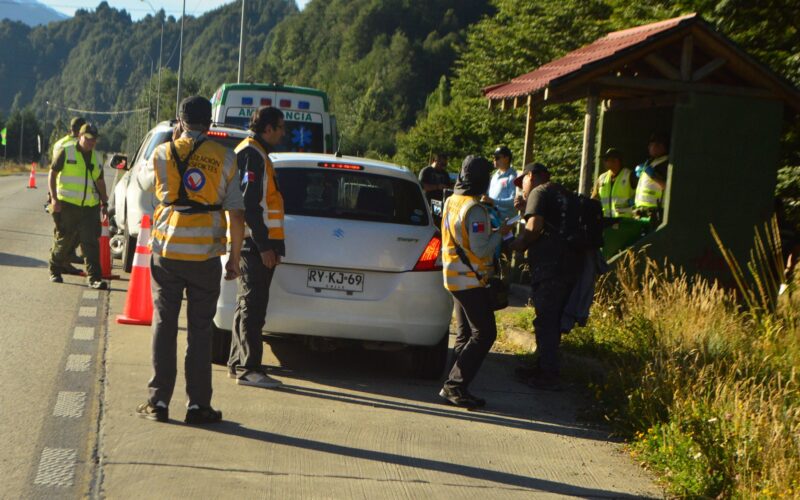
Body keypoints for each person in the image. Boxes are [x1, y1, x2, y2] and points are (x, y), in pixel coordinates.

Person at [135, 96, 245, 424]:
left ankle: (158, 403)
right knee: (200, 331)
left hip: (166, 254)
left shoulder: (161, 153)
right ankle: (198, 406)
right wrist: (235, 259)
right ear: (209, 124)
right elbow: (237, 213)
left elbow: (142, 189)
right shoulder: (226, 158)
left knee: (164, 325)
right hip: (205, 256)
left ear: (180, 122)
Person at [439, 155, 511, 408]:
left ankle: (451, 384)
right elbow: (481, 250)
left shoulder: (452, 201)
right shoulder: (475, 209)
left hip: (453, 276)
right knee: (485, 333)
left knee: (465, 334)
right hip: (470, 280)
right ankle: (454, 386)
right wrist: (499, 234)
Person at [228, 106, 286, 388]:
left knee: (246, 304)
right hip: (255, 242)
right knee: (253, 306)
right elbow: (249, 205)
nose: (284, 133)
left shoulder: (255, 151)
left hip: (254, 240)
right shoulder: (253, 154)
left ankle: (237, 362)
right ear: (267, 129)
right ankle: (249, 369)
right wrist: (264, 246)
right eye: (280, 127)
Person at [511, 163, 582, 390]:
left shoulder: (539, 192)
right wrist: (525, 211)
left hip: (549, 266)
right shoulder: (564, 193)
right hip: (570, 265)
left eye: (522, 182)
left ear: (530, 176)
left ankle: (548, 374)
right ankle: (542, 366)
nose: (522, 188)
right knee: (553, 319)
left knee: (546, 321)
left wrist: (517, 245)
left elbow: (534, 228)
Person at [47, 122, 109, 289]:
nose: (91, 142)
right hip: (68, 206)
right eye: (88, 138)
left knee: (91, 244)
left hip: (90, 208)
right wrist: (54, 198)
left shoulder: (97, 157)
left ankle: (94, 278)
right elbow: (52, 174)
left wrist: (104, 202)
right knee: (65, 241)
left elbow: (100, 180)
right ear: (80, 136)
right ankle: (55, 269)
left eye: (94, 139)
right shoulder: (66, 152)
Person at [50, 116, 87, 271]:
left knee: (62, 230)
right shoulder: (75, 146)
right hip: (67, 195)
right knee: (68, 232)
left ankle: (66, 257)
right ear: (80, 130)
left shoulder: (59, 143)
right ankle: (59, 261)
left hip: (57, 191)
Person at [484, 146, 519, 286]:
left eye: (497, 157)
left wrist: (494, 201)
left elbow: (513, 202)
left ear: (506, 158)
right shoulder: (495, 176)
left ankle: (504, 286)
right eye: (494, 157)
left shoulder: (513, 177)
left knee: (504, 255)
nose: (494, 160)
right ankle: (490, 281)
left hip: (506, 222)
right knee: (491, 252)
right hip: (492, 220)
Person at [634, 133, 670, 222]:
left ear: (661, 146)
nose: (649, 147)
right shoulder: (650, 162)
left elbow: (668, 187)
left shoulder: (666, 163)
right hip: (641, 211)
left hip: (655, 211)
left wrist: (653, 175)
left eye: (652, 144)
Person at [591, 148, 636, 219]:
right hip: (606, 221)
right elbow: (594, 198)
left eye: (606, 160)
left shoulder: (630, 175)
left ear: (616, 160)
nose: (604, 162)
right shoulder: (602, 178)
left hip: (625, 221)